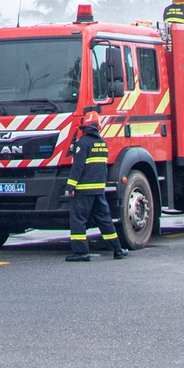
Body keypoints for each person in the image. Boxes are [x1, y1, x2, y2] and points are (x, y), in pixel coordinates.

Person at [64, 112, 125, 261]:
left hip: (83, 190)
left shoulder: (82, 143)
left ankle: (81, 253)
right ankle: (117, 250)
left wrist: (70, 186)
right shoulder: (102, 143)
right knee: (105, 219)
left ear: (84, 127)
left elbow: (78, 167)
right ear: (98, 126)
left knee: (78, 220)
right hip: (98, 190)